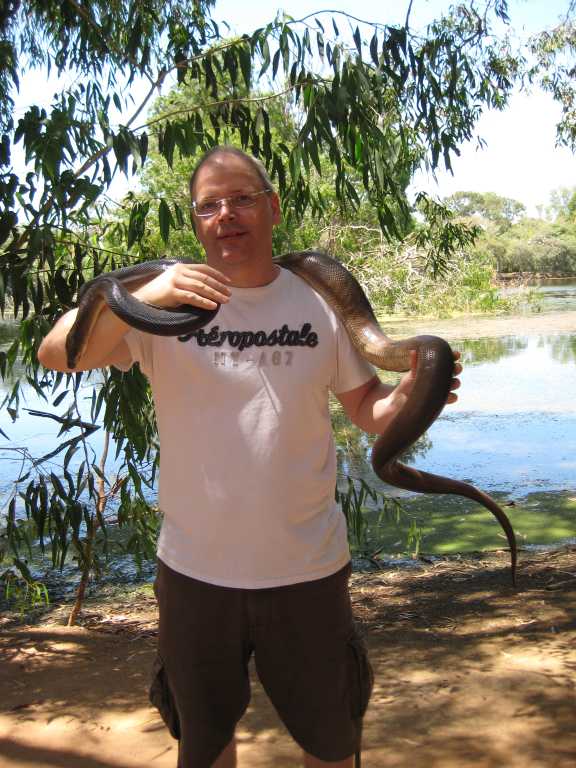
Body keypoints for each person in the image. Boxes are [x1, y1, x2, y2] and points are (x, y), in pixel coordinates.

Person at [38, 146, 461, 768]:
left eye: (241, 198)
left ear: (273, 207)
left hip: (307, 570)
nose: (226, 215)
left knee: (331, 743)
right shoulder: (162, 305)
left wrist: (408, 398)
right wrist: (149, 291)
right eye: (209, 204)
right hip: (194, 574)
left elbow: (365, 406)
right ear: (195, 221)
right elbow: (56, 352)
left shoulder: (319, 302)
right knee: (205, 746)